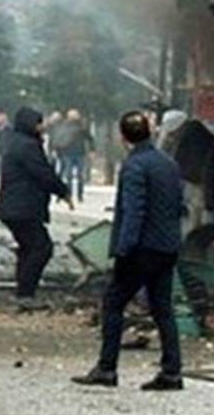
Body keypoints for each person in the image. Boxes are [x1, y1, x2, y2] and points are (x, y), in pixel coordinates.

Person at [73, 111, 185, 391]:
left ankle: (106, 368)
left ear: (123, 138)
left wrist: (123, 249)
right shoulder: (168, 163)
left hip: (141, 249)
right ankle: (172, 371)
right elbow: (178, 205)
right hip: (167, 246)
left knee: (113, 302)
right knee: (163, 308)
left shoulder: (134, 166)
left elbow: (134, 211)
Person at [0, 107, 73, 310]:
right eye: (39, 123)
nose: (42, 126)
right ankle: (25, 292)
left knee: (27, 248)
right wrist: (63, 191)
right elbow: (43, 173)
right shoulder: (27, 146)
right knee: (41, 247)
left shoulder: (16, 141)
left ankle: (23, 291)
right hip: (23, 206)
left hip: (14, 206)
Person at [53, 109, 95, 203]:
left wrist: (92, 150)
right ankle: (73, 194)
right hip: (71, 153)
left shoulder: (80, 127)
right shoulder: (74, 126)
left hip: (76, 153)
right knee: (72, 175)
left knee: (75, 175)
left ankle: (77, 195)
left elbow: (89, 138)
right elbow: (58, 139)